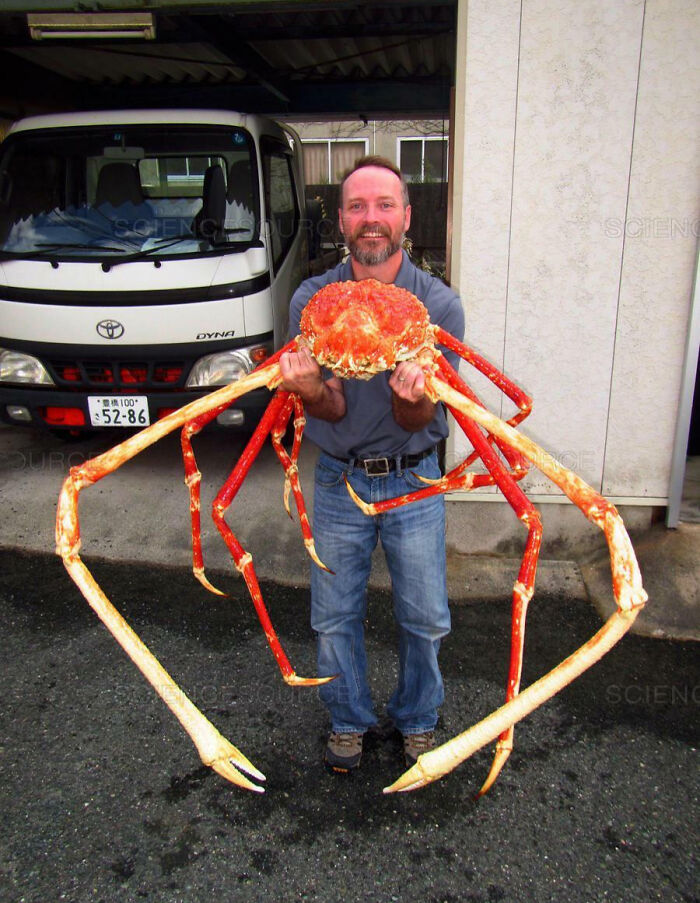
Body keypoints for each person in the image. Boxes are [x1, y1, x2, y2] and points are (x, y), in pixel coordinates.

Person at [279, 156, 465, 772]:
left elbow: (426, 421)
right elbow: (326, 406)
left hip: (415, 478)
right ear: (341, 220)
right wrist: (306, 389)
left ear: (407, 217)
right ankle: (348, 718)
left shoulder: (436, 308)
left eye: (385, 205)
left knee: (425, 617)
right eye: (358, 206)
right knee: (333, 616)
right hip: (337, 477)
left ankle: (417, 718)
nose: (372, 218)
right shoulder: (315, 301)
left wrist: (410, 399)